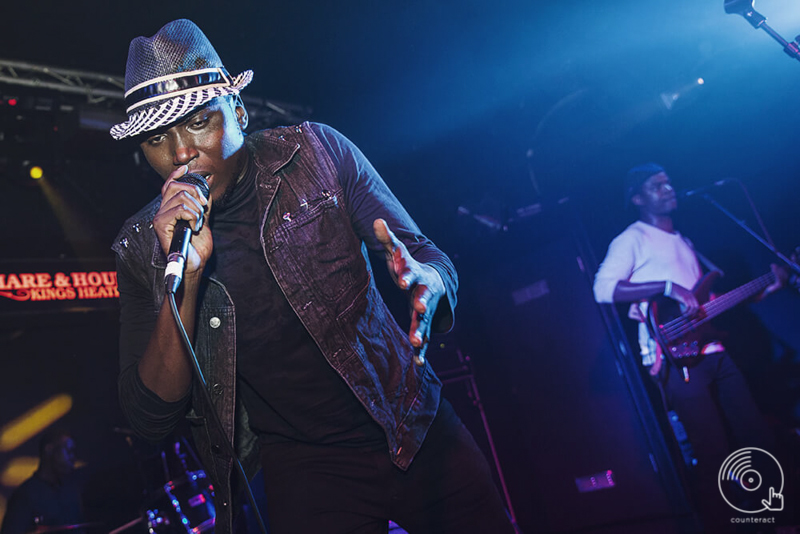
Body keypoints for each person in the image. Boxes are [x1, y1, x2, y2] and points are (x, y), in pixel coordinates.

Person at [110, 19, 513, 534]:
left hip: (410, 419)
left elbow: (426, 256)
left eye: (197, 122)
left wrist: (430, 282)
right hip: (305, 469)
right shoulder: (141, 246)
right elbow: (150, 417)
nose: (181, 154)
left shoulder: (317, 153)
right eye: (157, 138)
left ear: (237, 110)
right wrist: (185, 281)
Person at [592, 163, 784, 531]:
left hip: (714, 351)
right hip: (676, 359)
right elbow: (602, 289)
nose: (668, 188)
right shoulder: (633, 238)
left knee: (755, 436)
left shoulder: (684, 242)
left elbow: (706, 303)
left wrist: (772, 285)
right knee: (712, 451)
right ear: (637, 198)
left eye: (668, 182)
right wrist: (665, 286)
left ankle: (774, 519)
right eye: (656, 185)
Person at [1, 429, 85, 534]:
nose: (73, 458)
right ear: (49, 449)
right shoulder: (25, 496)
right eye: (68, 451)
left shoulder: (70, 491)